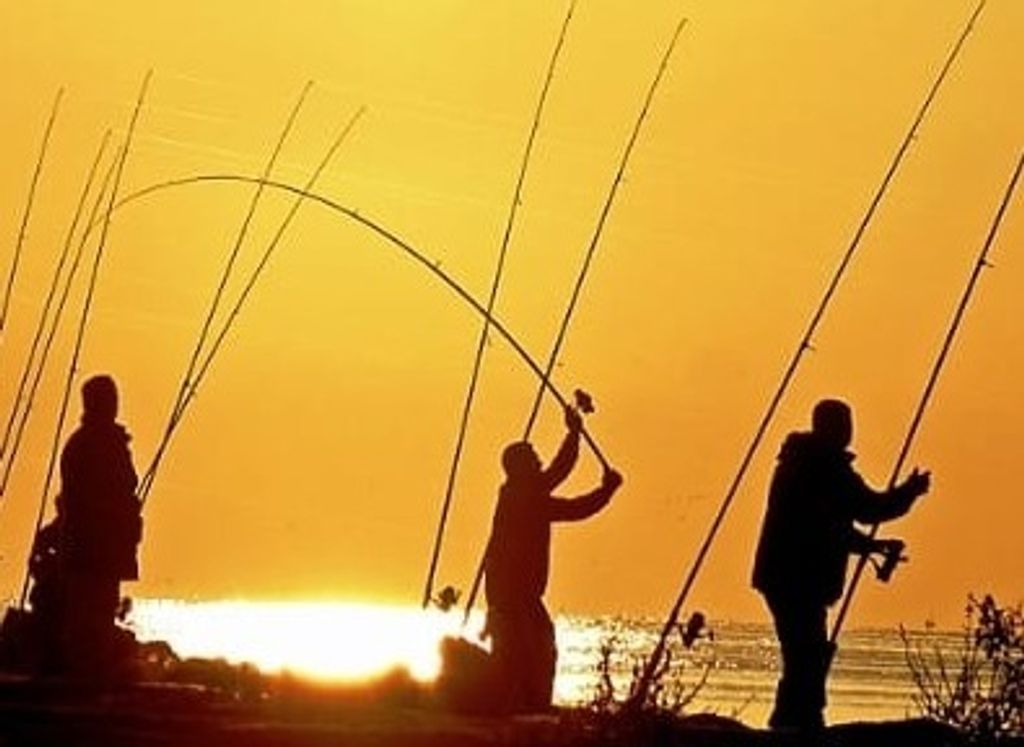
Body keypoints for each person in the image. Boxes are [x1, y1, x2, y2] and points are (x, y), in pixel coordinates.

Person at [752, 398, 930, 730]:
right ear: (830, 427)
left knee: (805, 651)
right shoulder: (825, 468)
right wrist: (909, 492)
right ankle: (798, 720)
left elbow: (828, 524)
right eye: (845, 424)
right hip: (798, 579)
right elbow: (869, 508)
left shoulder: (799, 463)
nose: (850, 432)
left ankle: (797, 716)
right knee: (807, 651)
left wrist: (869, 545)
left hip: (782, 576)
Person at [483, 405, 622, 712]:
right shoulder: (524, 498)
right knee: (536, 649)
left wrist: (573, 435)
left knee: (526, 649)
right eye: (534, 459)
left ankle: (524, 703)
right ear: (520, 467)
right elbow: (575, 507)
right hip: (514, 595)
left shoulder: (519, 492)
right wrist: (606, 491)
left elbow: (558, 470)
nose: (540, 462)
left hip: (510, 594)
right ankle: (528, 705)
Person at [56, 374, 142, 678]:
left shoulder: (96, 443)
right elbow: (118, 485)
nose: (114, 405)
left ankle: (91, 676)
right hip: (92, 548)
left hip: (99, 548)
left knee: (98, 616)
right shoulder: (91, 445)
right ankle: (85, 679)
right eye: (109, 399)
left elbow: (126, 483)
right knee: (87, 620)